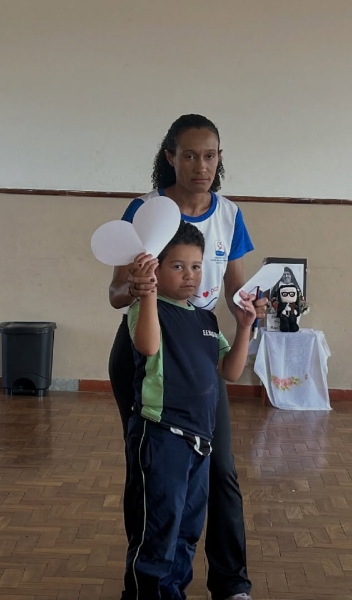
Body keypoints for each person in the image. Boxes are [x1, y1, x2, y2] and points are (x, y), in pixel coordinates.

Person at [108, 114, 265, 600]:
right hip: (148, 343)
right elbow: (116, 293)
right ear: (170, 157)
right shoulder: (145, 209)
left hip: (200, 343)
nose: (201, 165)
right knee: (151, 471)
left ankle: (231, 583)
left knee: (220, 471)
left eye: (210, 155)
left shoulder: (230, 214)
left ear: (220, 159)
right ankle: (146, 576)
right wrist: (137, 288)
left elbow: (235, 290)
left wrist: (252, 311)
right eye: (191, 155)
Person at [121, 221, 256, 600]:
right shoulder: (145, 309)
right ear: (156, 268)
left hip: (200, 442)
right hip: (161, 437)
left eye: (196, 266)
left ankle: (173, 593)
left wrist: (245, 327)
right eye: (178, 266)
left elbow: (230, 371)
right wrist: (148, 293)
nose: (190, 275)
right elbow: (148, 346)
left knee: (186, 532)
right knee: (158, 530)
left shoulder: (205, 319)